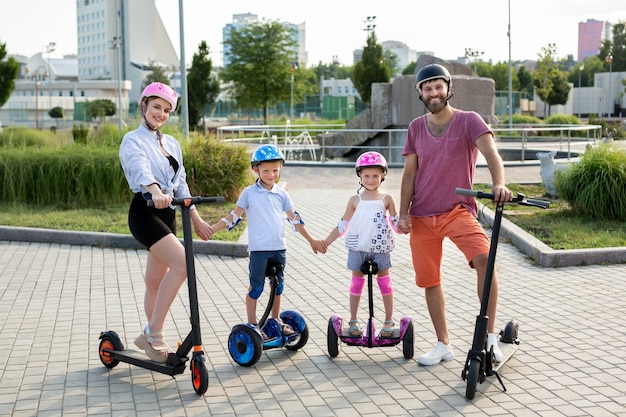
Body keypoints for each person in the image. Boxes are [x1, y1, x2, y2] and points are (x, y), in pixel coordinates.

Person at [398, 64, 512, 366]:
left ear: (449, 88)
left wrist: (499, 183)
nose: (433, 93)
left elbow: (492, 154)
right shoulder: (415, 128)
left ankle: (488, 339)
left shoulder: (468, 121)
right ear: (420, 93)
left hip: (457, 210)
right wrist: (403, 214)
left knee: (485, 261)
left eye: (438, 86)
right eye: (427, 88)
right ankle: (442, 344)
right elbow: (409, 175)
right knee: (429, 280)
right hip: (422, 214)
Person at [119, 82, 214, 363]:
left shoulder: (171, 142)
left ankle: (150, 336)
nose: (160, 113)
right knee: (184, 264)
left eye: (166, 110)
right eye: (156, 107)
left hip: (169, 211)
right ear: (144, 106)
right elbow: (139, 167)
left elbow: (181, 182)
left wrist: (196, 218)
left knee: (155, 281)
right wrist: (155, 191)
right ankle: (155, 332)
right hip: (146, 210)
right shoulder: (132, 140)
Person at [210, 144, 325, 335]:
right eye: (266, 170)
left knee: (277, 287)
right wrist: (213, 229)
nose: (271, 175)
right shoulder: (249, 193)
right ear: (256, 169)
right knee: (256, 288)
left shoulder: (282, 194)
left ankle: (275, 321)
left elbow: (294, 220)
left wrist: (311, 240)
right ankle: (253, 325)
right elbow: (234, 216)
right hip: (259, 250)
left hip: (279, 248)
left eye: (275, 170)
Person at [321, 151, 399, 337]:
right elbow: (343, 225)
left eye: (375, 176)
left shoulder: (387, 198)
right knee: (356, 283)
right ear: (359, 176)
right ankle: (354, 320)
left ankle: (388, 321)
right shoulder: (355, 200)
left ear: (383, 176)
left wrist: (405, 226)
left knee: (385, 284)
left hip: (380, 248)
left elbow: (395, 223)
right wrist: (326, 242)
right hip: (358, 247)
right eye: (366, 176)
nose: (371, 179)